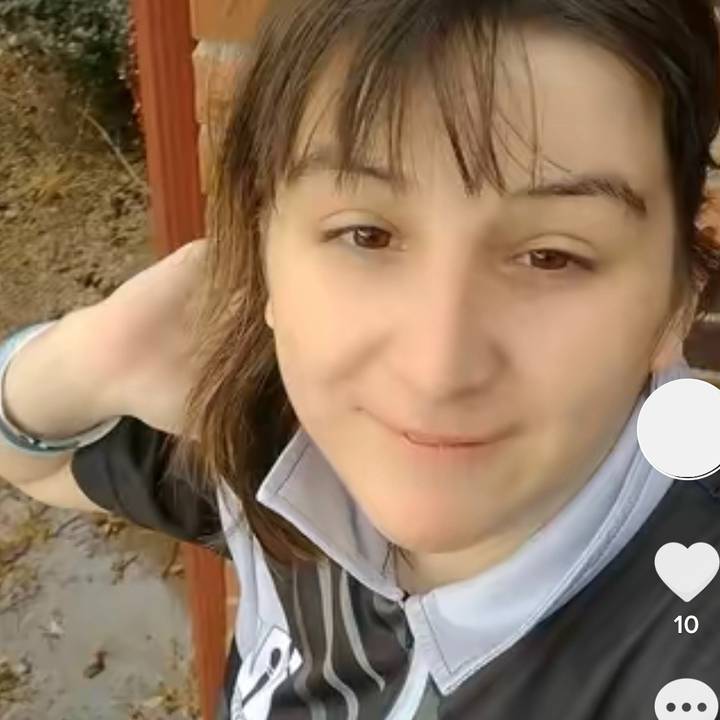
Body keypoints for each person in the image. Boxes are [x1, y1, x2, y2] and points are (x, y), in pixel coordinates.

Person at [2, 1, 720, 718]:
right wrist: (93, 354)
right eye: (366, 235)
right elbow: (40, 461)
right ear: (262, 253)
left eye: (551, 256)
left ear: (678, 298)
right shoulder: (283, 444)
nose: (436, 371)